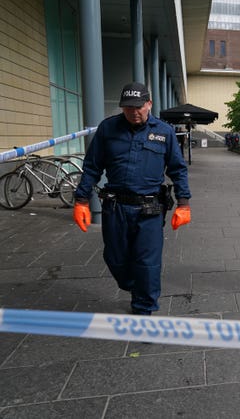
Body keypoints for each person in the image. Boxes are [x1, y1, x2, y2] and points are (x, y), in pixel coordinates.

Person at [73, 82, 192, 315]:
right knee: (115, 257)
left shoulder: (164, 131)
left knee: (147, 263)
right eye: (128, 108)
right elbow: (92, 167)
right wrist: (81, 200)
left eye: (139, 107)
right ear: (122, 107)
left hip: (150, 209)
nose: (134, 112)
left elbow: (178, 169)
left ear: (149, 104)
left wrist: (184, 203)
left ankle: (144, 308)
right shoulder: (108, 129)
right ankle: (134, 285)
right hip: (116, 207)